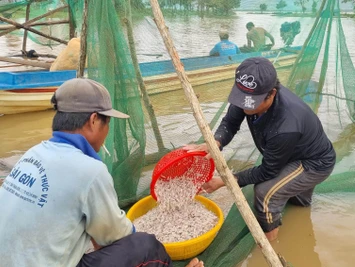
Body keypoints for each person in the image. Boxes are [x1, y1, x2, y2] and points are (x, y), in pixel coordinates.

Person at [0, 78, 204, 267]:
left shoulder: (32, 153)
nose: (107, 132)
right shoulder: (89, 170)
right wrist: (125, 232)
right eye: (108, 123)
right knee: (146, 245)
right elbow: (117, 234)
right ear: (94, 120)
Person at [184, 57, 336, 241]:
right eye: (241, 99)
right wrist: (216, 142)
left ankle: (270, 242)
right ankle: (302, 224)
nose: (243, 106)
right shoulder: (249, 94)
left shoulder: (286, 124)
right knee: (298, 202)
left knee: (265, 193)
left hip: (314, 162)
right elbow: (230, 122)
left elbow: (268, 170)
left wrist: (224, 181)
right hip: (291, 152)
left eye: (251, 103)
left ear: (271, 94)